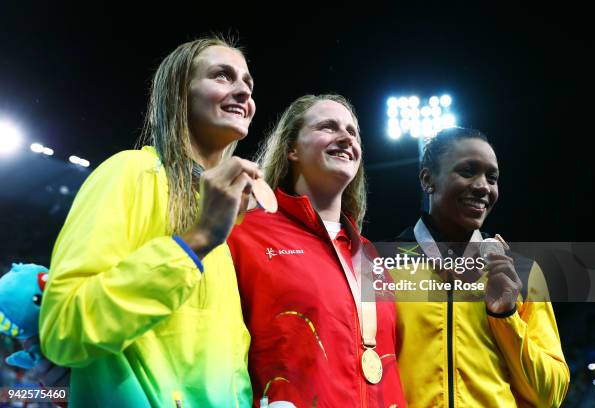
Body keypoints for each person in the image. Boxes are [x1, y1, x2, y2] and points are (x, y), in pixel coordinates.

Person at [39, 36, 260, 407]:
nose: (242, 92)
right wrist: (197, 240)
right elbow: (64, 327)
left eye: (248, 84)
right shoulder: (129, 173)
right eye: (223, 76)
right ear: (178, 94)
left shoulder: (223, 221)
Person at [228, 94, 405, 407]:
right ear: (291, 149)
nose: (345, 138)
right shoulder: (244, 234)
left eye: (352, 132)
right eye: (328, 127)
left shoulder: (369, 256)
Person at [393, 127, 570, 407]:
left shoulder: (522, 272)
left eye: (492, 177)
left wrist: (506, 315)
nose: (483, 186)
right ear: (428, 180)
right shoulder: (381, 268)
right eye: (467, 171)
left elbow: (551, 394)